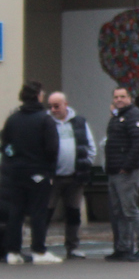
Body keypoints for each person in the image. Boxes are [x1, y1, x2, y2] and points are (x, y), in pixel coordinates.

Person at [3, 81, 60, 265]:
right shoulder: (45, 119)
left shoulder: (13, 119)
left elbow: (6, 146)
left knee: (16, 212)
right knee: (38, 212)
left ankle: (13, 252)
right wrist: (49, 170)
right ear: (38, 96)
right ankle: (39, 250)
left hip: (16, 172)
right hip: (38, 172)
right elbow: (52, 148)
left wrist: (12, 163)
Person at [46, 91, 96, 260]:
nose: (53, 110)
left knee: (73, 213)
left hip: (75, 176)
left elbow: (90, 146)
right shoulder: (46, 122)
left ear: (65, 105)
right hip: (53, 177)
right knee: (46, 211)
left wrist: (85, 164)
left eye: (56, 106)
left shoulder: (79, 122)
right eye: (50, 106)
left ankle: (72, 247)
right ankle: (39, 246)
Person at [103, 86, 139, 262]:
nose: (119, 100)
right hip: (114, 170)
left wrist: (126, 166)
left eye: (122, 96)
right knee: (119, 212)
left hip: (127, 172)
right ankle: (123, 248)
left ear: (130, 98)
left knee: (130, 210)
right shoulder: (117, 116)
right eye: (116, 97)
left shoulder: (134, 115)